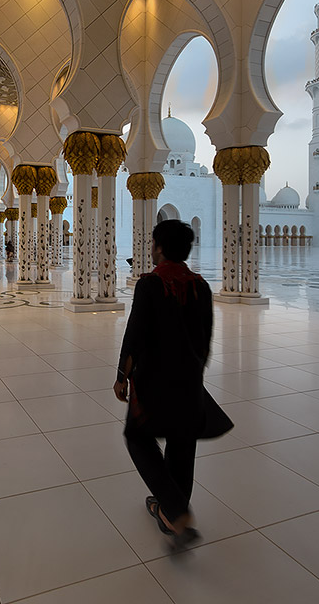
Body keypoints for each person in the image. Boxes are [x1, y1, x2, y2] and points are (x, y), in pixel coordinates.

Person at [113, 219, 231, 550]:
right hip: (190, 380)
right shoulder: (201, 286)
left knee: (138, 439)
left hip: (153, 381)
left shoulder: (151, 284)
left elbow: (135, 333)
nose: (150, 248)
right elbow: (205, 340)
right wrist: (195, 372)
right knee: (182, 443)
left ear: (160, 247)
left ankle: (177, 510)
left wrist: (123, 376)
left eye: (153, 243)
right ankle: (169, 514)